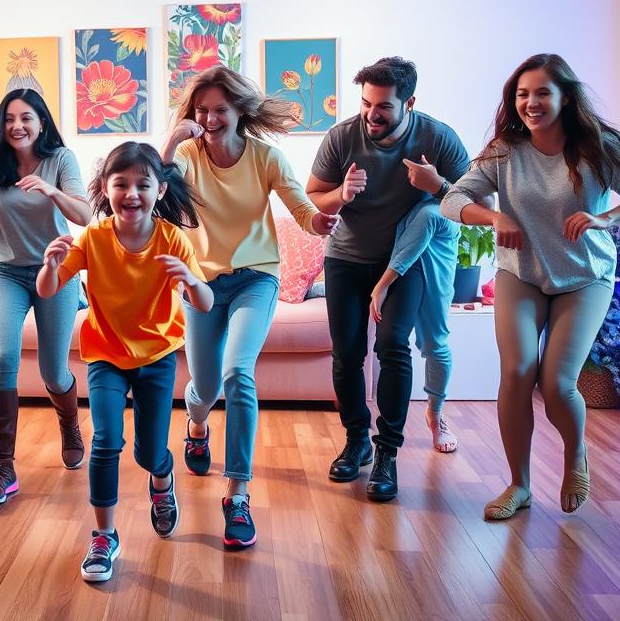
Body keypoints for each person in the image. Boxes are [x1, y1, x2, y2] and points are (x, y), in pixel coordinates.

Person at [441, 53, 620, 520]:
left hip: (584, 277)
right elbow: (453, 199)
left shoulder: (598, 146)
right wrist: (493, 216)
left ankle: (575, 452)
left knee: (558, 385)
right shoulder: (505, 151)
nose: (531, 102)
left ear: (565, 97)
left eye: (542, 92)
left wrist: (605, 219)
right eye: (523, 94)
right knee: (517, 371)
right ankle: (519, 485)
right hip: (522, 273)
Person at [160, 65, 337, 549]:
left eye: (220, 109)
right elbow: (159, 196)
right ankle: (197, 425)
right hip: (201, 282)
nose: (209, 119)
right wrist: (173, 140)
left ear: (240, 111)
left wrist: (320, 222)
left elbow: (301, 209)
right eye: (202, 110)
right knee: (204, 387)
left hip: (256, 277)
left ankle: (237, 494)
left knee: (238, 372)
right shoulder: (188, 156)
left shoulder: (265, 157)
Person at [36, 141, 213, 582]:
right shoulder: (93, 238)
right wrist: (50, 265)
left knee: (150, 452)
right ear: (105, 188)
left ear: (160, 190)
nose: (131, 193)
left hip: (156, 356)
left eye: (142, 184)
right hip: (105, 356)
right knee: (105, 441)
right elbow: (47, 289)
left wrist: (191, 281)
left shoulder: (172, 239)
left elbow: (205, 303)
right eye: (121, 184)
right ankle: (104, 536)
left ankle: (162, 480)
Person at [306, 56, 470, 502]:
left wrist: (438, 186)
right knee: (347, 353)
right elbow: (314, 195)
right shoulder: (342, 137)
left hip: (402, 262)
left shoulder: (437, 138)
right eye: (365, 103)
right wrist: (341, 194)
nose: (371, 115)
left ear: (409, 103)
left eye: (383, 107)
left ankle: (387, 453)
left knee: (394, 347)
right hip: (346, 259)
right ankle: (356, 439)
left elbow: (478, 205)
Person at [0, 88, 93, 506]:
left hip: (56, 268)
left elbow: (84, 215)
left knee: (54, 372)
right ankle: (4, 466)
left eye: (26, 118)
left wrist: (52, 191)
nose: (17, 126)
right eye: (10, 118)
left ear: (41, 123)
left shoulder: (61, 159)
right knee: (2, 359)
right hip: (5, 272)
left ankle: (69, 423)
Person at [370, 200, 461, 453]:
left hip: (436, 254)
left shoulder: (433, 213)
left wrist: (382, 286)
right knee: (393, 339)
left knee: (435, 343)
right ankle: (382, 435)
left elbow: (475, 199)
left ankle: (436, 413)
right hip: (403, 262)